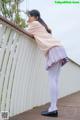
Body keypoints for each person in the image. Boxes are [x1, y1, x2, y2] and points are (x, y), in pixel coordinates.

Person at [26, 9, 69, 117]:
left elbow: (27, 32)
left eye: (30, 16)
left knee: (52, 79)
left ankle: (53, 108)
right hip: (58, 48)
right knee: (55, 79)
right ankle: (53, 107)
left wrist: (29, 24)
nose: (28, 18)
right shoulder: (41, 25)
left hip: (53, 50)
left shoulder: (34, 24)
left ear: (35, 17)